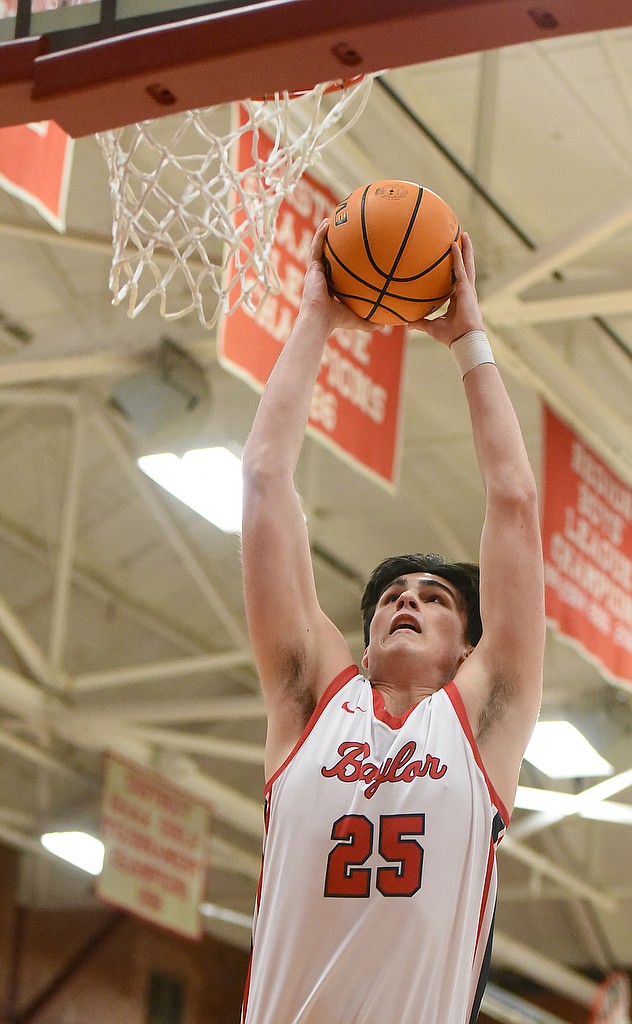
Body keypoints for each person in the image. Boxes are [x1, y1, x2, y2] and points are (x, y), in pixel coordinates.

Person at [239, 221, 545, 1024]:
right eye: (391, 598)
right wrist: (315, 315)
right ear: (366, 637)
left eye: (435, 599)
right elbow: (267, 481)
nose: (407, 601)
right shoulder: (311, 703)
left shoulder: (481, 721)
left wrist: (468, 336)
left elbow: (514, 503)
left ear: (468, 650)